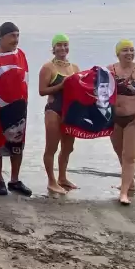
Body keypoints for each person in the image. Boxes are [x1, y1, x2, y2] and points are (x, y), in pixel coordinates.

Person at [0, 22, 32, 197]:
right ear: (2, 37)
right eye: (12, 36)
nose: (16, 40)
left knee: (17, 144)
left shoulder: (21, 54)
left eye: (17, 36)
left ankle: (14, 180)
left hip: (19, 109)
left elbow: (24, 79)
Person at [108, 40, 135, 206]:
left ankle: (124, 193)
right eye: (125, 50)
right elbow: (99, 91)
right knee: (120, 152)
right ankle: (130, 184)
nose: (129, 53)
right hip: (115, 119)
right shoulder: (110, 70)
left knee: (130, 156)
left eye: (131, 50)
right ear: (117, 54)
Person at [39, 33, 81, 195]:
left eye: (65, 45)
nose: (62, 48)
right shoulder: (48, 68)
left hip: (70, 112)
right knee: (51, 147)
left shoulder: (75, 68)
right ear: (53, 48)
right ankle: (51, 181)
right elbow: (42, 91)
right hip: (53, 110)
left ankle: (62, 178)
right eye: (59, 45)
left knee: (68, 147)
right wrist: (61, 86)